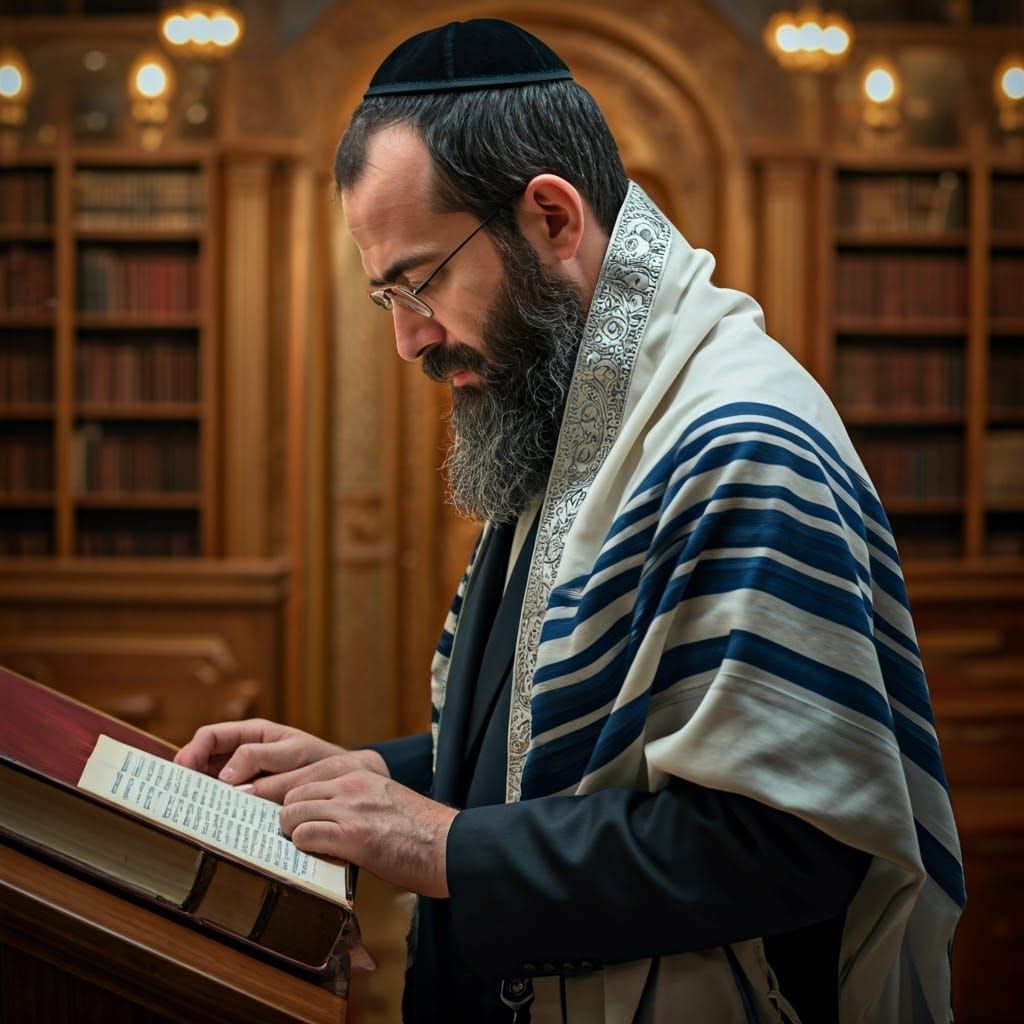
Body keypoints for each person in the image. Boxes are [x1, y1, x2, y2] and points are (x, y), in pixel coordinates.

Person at [176, 18, 964, 1024]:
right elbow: (559, 747)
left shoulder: (737, 441)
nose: (409, 337)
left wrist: (430, 843)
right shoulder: (579, 403)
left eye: (418, 281)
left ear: (551, 217)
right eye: (385, 297)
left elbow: (786, 847)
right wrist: (366, 775)